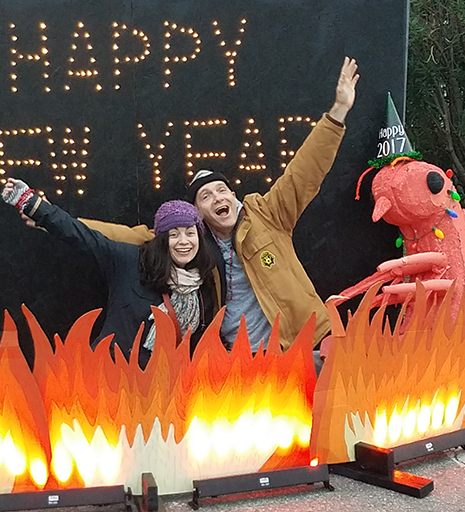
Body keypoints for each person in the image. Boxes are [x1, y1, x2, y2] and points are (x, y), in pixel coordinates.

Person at [83, 57, 359, 361]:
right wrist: (53, 219)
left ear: (233, 195)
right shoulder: (193, 244)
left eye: (221, 190)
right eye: (205, 196)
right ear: (197, 212)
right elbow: (129, 237)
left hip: (304, 347)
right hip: (243, 361)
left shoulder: (269, 215)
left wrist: (338, 113)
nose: (216, 198)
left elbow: (304, 172)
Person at [2, 178, 218, 367]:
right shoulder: (130, 261)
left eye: (190, 233)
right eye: (174, 235)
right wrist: (32, 204)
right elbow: (82, 235)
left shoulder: (203, 284)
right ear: (161, 239)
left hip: (163, 389)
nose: (183, 242)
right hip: (111, 379)